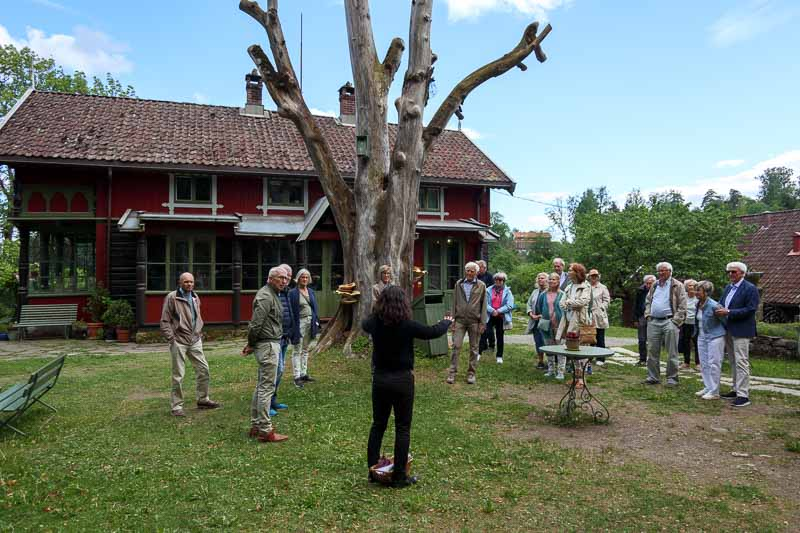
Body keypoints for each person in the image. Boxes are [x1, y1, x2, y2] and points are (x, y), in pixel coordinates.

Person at [362, 286, 452, 488]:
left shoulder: (374, 323)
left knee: (378, 425)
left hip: (381, 379)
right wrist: (446, 322)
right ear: (403, 303)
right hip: (402, 380)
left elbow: (364, 322)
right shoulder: (407, 325)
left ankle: (373, 471)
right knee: (402, 428)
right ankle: (399, 477)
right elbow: (431, 332)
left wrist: (377, 310)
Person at [160, 272, 221, 417]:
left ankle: (203, 399)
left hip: (194, 340)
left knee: (203, 369)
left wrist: (198, 332)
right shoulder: (172, 297)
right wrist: (171, 339)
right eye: (186, 282)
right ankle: (176, 406)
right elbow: (164, 321)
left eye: (191, 282)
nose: (189, 284)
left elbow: (196, 316)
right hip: (179, 341)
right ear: (180, 282)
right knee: (178, 375)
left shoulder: (195, 297)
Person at [245, 266, 289, 442]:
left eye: (286, 278)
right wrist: (251, 343)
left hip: (270, 343)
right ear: (270, 278)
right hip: (267, 345)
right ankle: (265, 429)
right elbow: (256, 324)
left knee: (261, 385)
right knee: (266, 388)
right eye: (280, 278)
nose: (284, 281)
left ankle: (256, 425)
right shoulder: (265, 296)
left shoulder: (273, 294)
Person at [716, 261, 759, 408]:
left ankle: (743, 395)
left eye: (733, 272)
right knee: (733, 361)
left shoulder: (750, 288)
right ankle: (735, 389)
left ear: (742, 273)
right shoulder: (728, 288)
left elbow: (751, 309)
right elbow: (722, 303)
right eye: (728, 272)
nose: (730, 274)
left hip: (742, 329)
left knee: (741, 361)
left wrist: (729, 312)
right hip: (728, 327)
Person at [643, 262, 687, 386]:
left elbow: (683, 305)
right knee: (652, 350)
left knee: (672, 351)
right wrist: (648, 315)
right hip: (654, 321)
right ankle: (653, 377)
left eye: (664, 270)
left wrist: (675, 322)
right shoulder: (655, 285)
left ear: (670, 271)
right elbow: (648, 301)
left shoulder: (677, 285)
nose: (661, 273)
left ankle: (672, 378)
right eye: (659, 271)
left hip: (670, 321)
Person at [447, 262, 488, 385]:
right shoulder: (459, 284)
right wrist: (452, 320)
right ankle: (452, 373)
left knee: (474, 348)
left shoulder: (481, 285)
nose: (469, 273)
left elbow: (484, 305)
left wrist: (482, 322)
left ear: (476, 272)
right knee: (456, 346)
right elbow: (454, 302)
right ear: (465, 271)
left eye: (472, 271)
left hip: (474, 321)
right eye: (468, 271)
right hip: (459, 320)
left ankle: (471, 373)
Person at [556, 263, 591, 387]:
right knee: (571, 349)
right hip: (568, 321)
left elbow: (583, 301)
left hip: (579, 321)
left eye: (570, 270)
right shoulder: (569, 286)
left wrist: (569, 302)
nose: (568, 272)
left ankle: (582, 379)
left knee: (580, 350)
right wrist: (566, 304)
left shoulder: (585, 286)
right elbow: (561, 302)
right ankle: (576, 377)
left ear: (577, 272)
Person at [272, 264, 298, 413]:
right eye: (283, 277)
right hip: (274, 338)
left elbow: (289, 314)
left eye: (288, 277)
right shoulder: (272, 293)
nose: (286, 279)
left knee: (280, 370)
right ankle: (266, 403)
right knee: (273, 371)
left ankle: (273, 400)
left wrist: (291, 333)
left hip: (284, 338)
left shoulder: (286, 292)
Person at [694, 280, 726, 400]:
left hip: (715, 337)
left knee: (714, 363)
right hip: (702, 336)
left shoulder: (714, 305)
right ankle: (708, 387)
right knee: (704, 363)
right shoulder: (698, 304)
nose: (696, 292)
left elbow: (724, 320)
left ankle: (715, 391)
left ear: (706, 292)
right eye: (696, 289)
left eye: (699, 290)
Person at [289, 269, 320, 388]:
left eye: (307, 277)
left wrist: (316, 320)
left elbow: (314, 307)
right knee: (297, 349)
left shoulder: (311, 291)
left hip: (310, 322)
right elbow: (291, 311)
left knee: (306, 349)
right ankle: (296, 376)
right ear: (298, 278)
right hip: (299, 323)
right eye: (303, 277)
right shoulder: (293, 293)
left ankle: (304, 374)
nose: (305, 279)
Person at [536, 272, 565, 379]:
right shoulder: (543, 294)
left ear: (558, 282)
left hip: (559, 325)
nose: (552, 281)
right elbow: (539, 306)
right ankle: (551, 370)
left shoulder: (562, 294)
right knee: (549, 348)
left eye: (554, 279)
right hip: (546, 325)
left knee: (561, 348)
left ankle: (561, 371)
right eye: (550, 279)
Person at [485, 272, 514, 365]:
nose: (498, 281)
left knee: (500, 336)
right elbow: (484, 303)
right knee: (486, 332)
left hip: (501, 316)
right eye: (496, 279)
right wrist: (492, 310)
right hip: (490, 315)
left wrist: (499, 311)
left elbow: (510, 305)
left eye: (500, 280)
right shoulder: (488, 290)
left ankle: (499, 356)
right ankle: (480, 351)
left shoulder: (508, 292)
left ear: (504, 281)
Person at [526, 272, 549, 370]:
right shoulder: (535, 292)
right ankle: (540, 361)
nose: (540, 280)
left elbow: (551, 307)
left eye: (542, 278)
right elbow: (529, 304)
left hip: (545, 321)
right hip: (535, 321)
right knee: (538, 341)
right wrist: (531, 313)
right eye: (539, 278)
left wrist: (541, 315)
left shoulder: (550, 292)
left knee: (546, 341)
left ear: (547, 280)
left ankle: (550, 363)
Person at [588, 269, 610, 366]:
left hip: (599, 315)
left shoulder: (602, 287)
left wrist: (602, 307)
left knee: (599, 337)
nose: (594, 278)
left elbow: (607, 300)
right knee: (589, 336)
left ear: (598, 277)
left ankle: (600, 357)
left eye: (595, 276)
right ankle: (589, 356)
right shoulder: (586, 287)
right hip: (588, 315)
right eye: (592, 276)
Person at [634, 275, 656, 366]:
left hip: (654, 316)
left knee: (653, 339)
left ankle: (652, 359)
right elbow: (636, 304)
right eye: (647, 283)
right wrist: (635, 318)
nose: (648, 285)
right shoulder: (640, 291)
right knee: (642, 339)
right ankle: (642, 359)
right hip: (642, 316)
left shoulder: (658, 290)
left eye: (650, 283)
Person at [679, 279, 699, 370]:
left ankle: (698, 363)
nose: (691, 287)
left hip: (696, 323)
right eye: (689, 285)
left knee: (697, 343)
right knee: (685, 342)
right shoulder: (683, 297)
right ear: (686, 287)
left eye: (693, 285)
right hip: (685, 323)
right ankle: (686, 362)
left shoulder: (699, 297)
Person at [477, 260, 495, 353]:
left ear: (484, 268)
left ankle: (492, 344)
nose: (478, 269)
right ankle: (483, 345)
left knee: (489, 326)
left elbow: (492, 291)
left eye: (479, 267)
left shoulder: (490, 277)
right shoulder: (477, 276)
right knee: (481, 325)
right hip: (478, 304)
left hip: (488, 304)